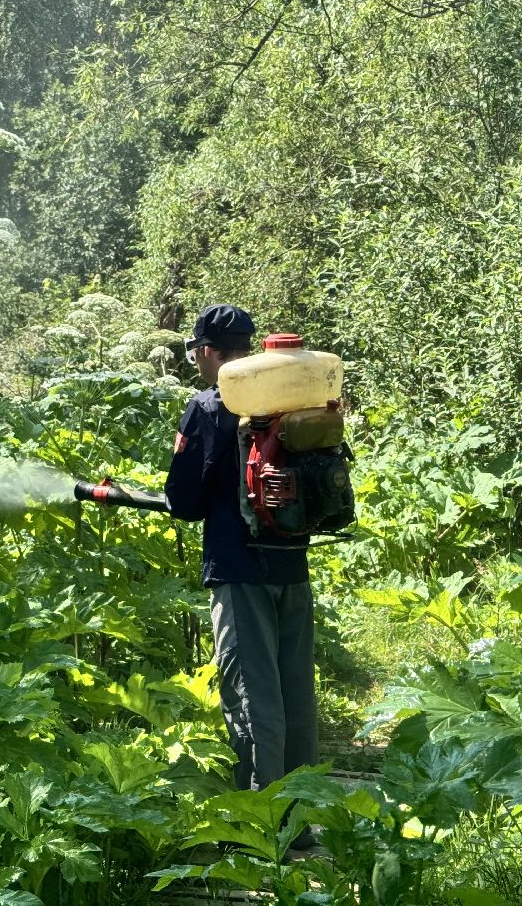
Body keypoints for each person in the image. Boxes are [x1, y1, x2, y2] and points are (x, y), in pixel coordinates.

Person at [164, 304, 318, 792]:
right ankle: (302, 816)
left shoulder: (211, 406)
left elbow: (183, 501)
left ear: (207, 352)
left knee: (253, 696)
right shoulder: (296, 398)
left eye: (196, 353)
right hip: (292, 563)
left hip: (239, 566)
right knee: (296, 695)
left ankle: (263, 822)